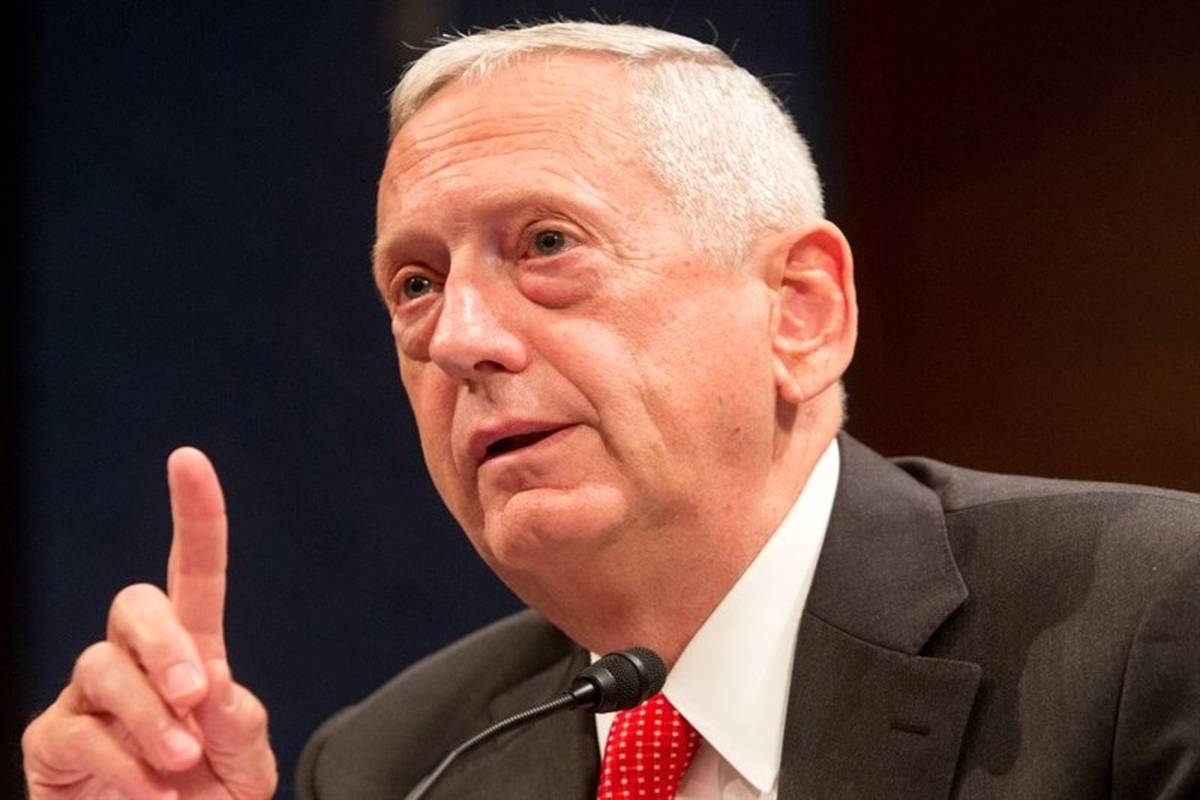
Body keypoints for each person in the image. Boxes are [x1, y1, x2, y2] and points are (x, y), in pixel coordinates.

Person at [21, 21, 1199, 800]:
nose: (460, 336)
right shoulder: (395, 761)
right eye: (415, 283)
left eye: (547, 244)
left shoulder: (1149, 623)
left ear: (800, 310)